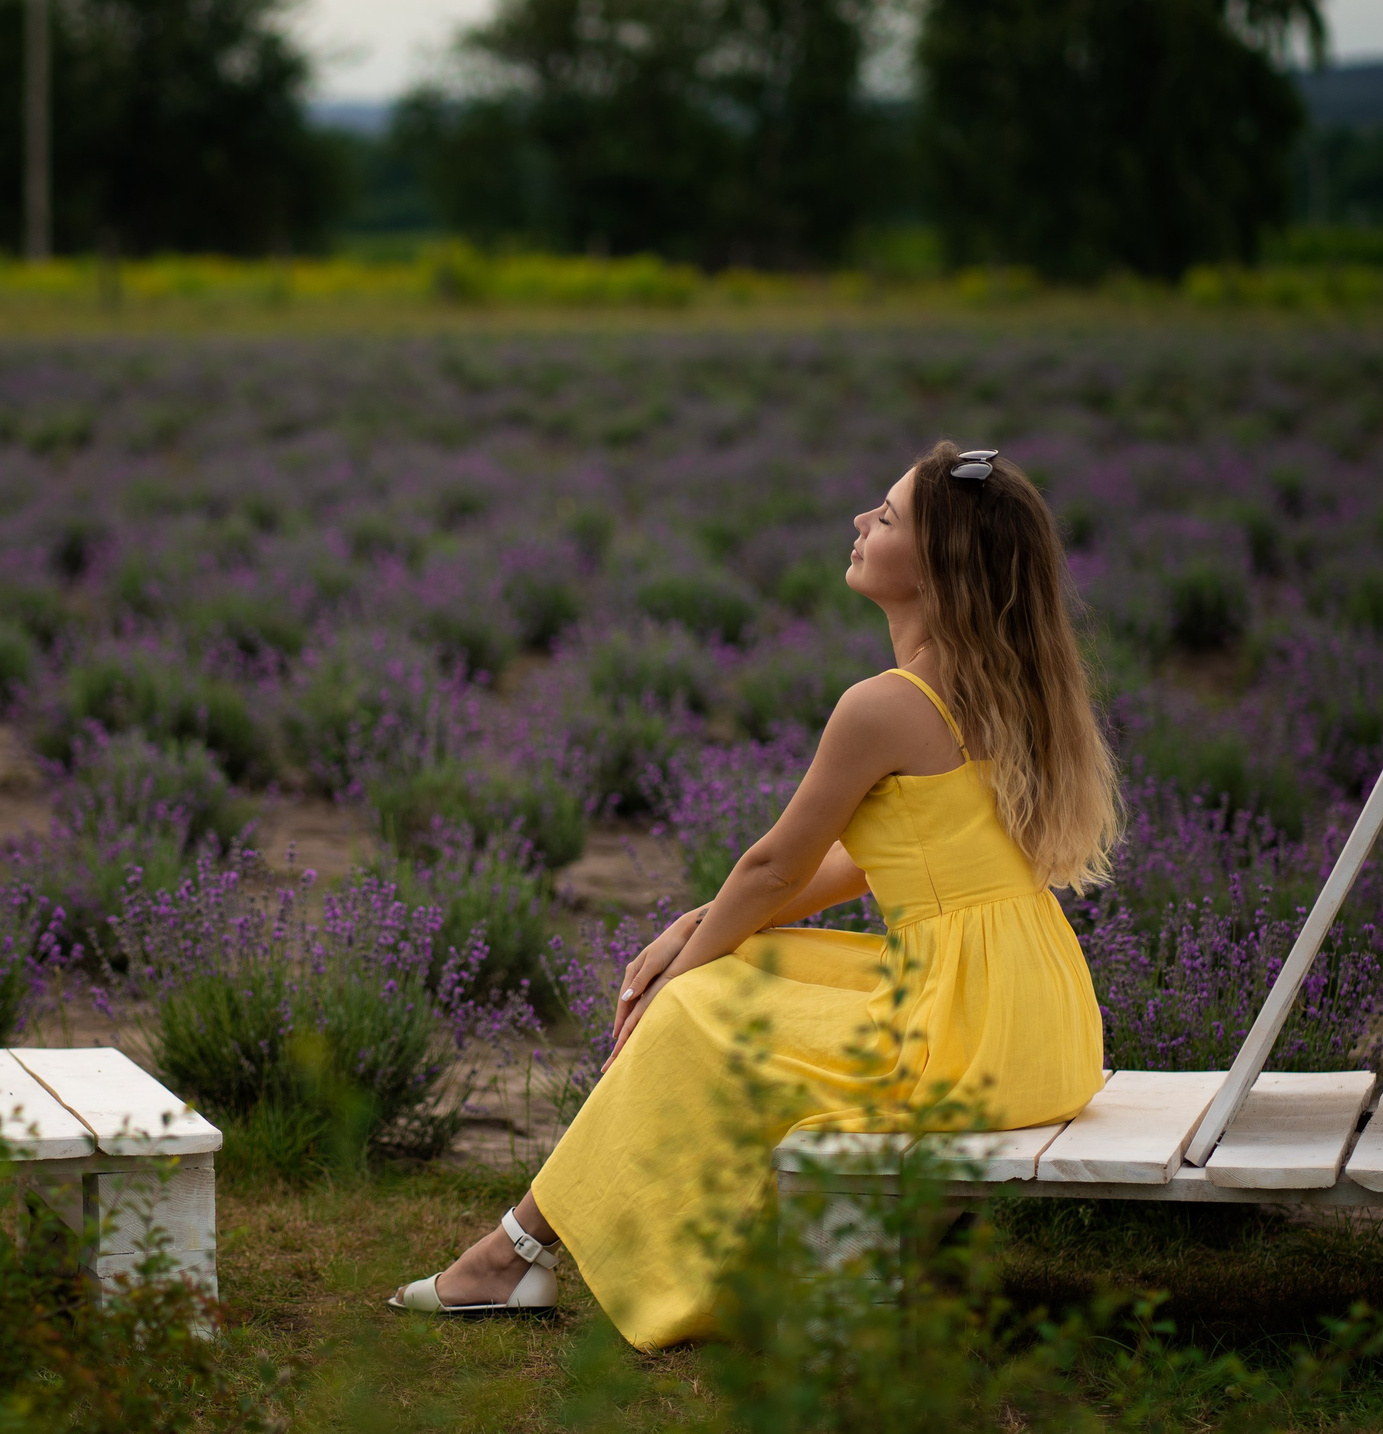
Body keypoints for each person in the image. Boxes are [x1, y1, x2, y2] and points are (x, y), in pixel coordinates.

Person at [387, 442, 1123, 1347]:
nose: (861, 522)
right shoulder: (1004, 684)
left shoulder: (886, 704)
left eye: (887, 517)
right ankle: (522, 1250)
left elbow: (773, 867)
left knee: (696, 1005)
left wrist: (671, 979)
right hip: (1037, 1017)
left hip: (961, 1038)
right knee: (746, 958)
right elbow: (858, 867)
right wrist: (697, 927)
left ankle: (512, 1254)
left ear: (939, 568)